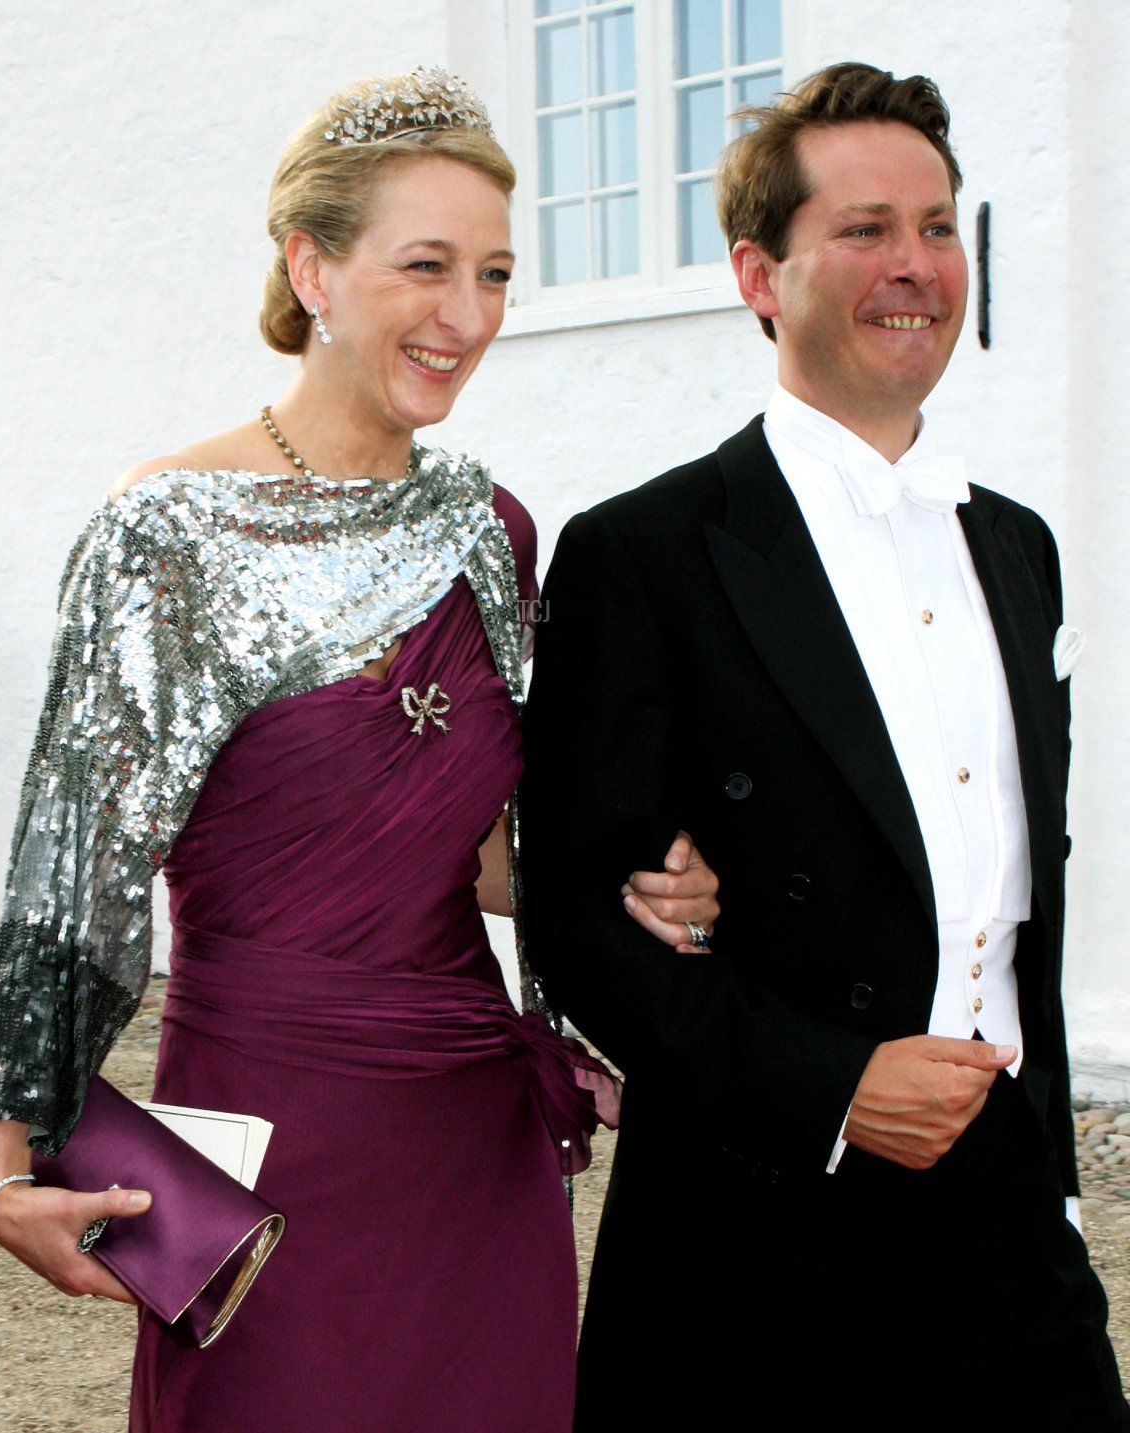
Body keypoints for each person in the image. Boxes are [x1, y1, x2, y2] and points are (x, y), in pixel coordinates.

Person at [0, 68, 719, 1433]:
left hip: (474, 1141)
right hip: (267, 1142)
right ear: (311, 267)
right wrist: (3, 1158)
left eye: (495, 274)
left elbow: (479, 850)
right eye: (425, 266)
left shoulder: (491, 529)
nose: (467, 316)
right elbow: (77, 859)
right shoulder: (167, 530)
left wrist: (634, 883)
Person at [521, 61, 1130, 1429]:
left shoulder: (1019, 548)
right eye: (864, 230)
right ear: (760, 275)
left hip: (1011, 1227)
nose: (914, 264)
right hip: (765, 1233)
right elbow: (578, 920)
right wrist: (838, 1088)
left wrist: (1054, 1179)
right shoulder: (644, 553)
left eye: (936, 226)